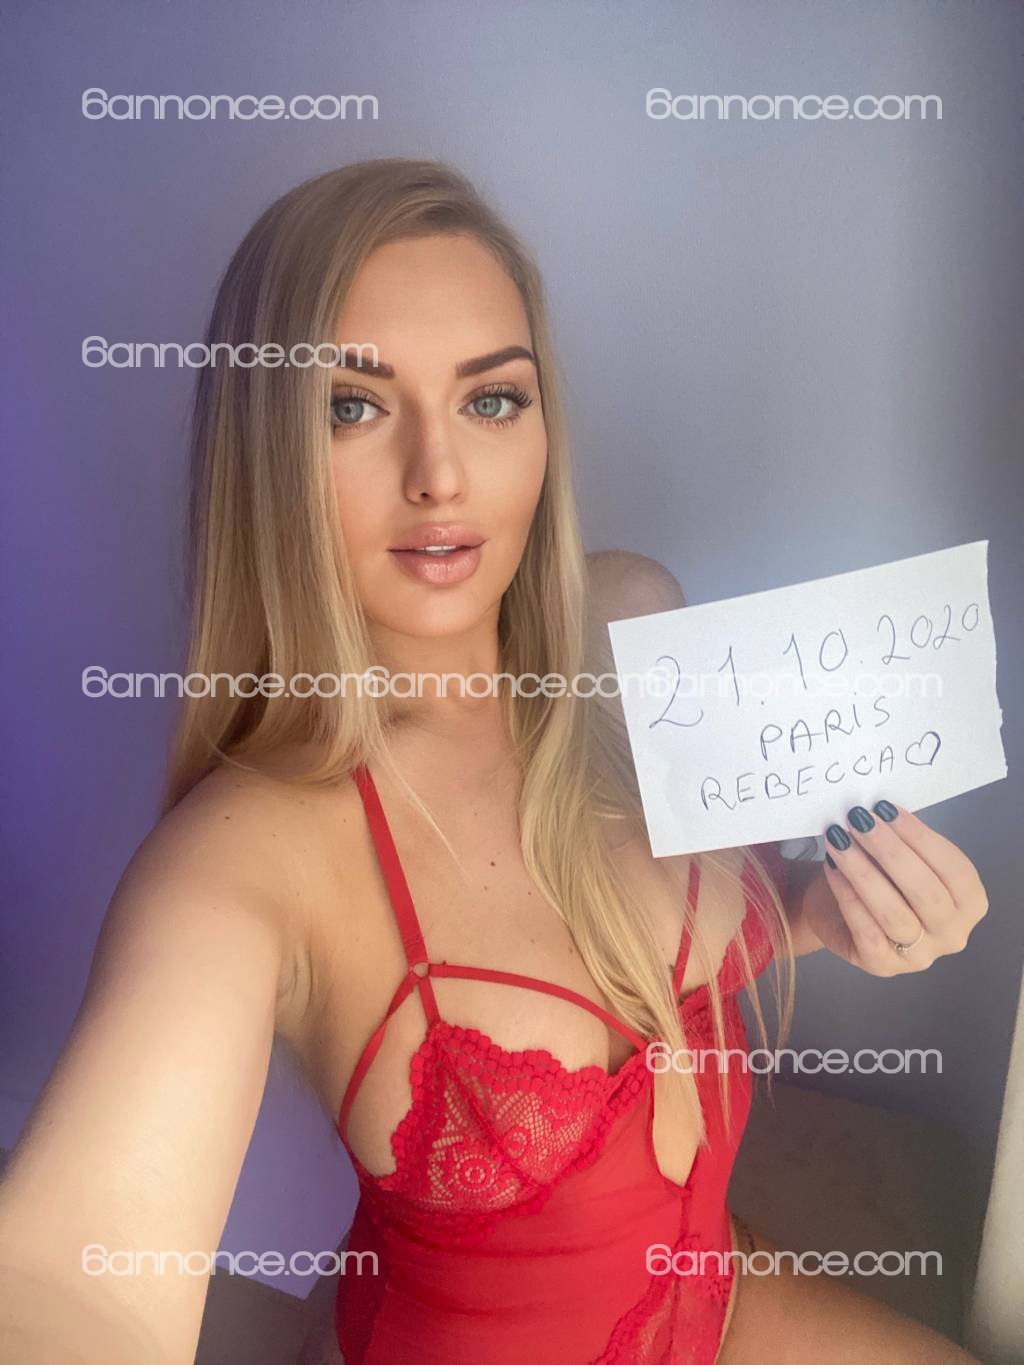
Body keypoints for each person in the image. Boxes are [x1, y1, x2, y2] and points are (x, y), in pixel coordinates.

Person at [0, 159, 988, 1364]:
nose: (439, 474)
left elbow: (658, 951)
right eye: (351, 407)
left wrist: (820, 913)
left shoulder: (626, 632)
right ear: (266, 450)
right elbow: (70, 1281)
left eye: (491, 399)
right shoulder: (244, 858)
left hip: (714, 1293)